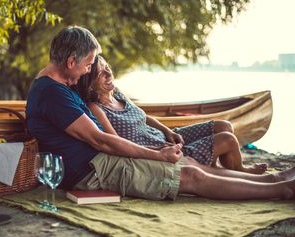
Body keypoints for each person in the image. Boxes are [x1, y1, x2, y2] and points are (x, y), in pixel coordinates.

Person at [26, 25, 295, 201]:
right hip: (94, 170)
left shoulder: (61, 86)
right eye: (87, 65)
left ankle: (275, 179)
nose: (88, 71)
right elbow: (100, 139)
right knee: (191, 175)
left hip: (101, 160)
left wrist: (162, 144)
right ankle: (282, 190)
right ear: (71, 61)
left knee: (188, 165)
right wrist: (158, 154)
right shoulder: (52, 92)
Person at [76, 55, 267, 174]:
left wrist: (168, 131)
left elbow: (142, 116)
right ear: (90, 83)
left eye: (107, 67)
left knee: (224, 126)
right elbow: (115, 142)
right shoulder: (96, 108)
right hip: (157, 149)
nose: (108, 74)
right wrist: (158, 152)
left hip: (162, 136)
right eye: (100, 73)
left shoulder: (116, 92)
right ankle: (234, 170)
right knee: (227, 139)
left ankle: (222, 167)